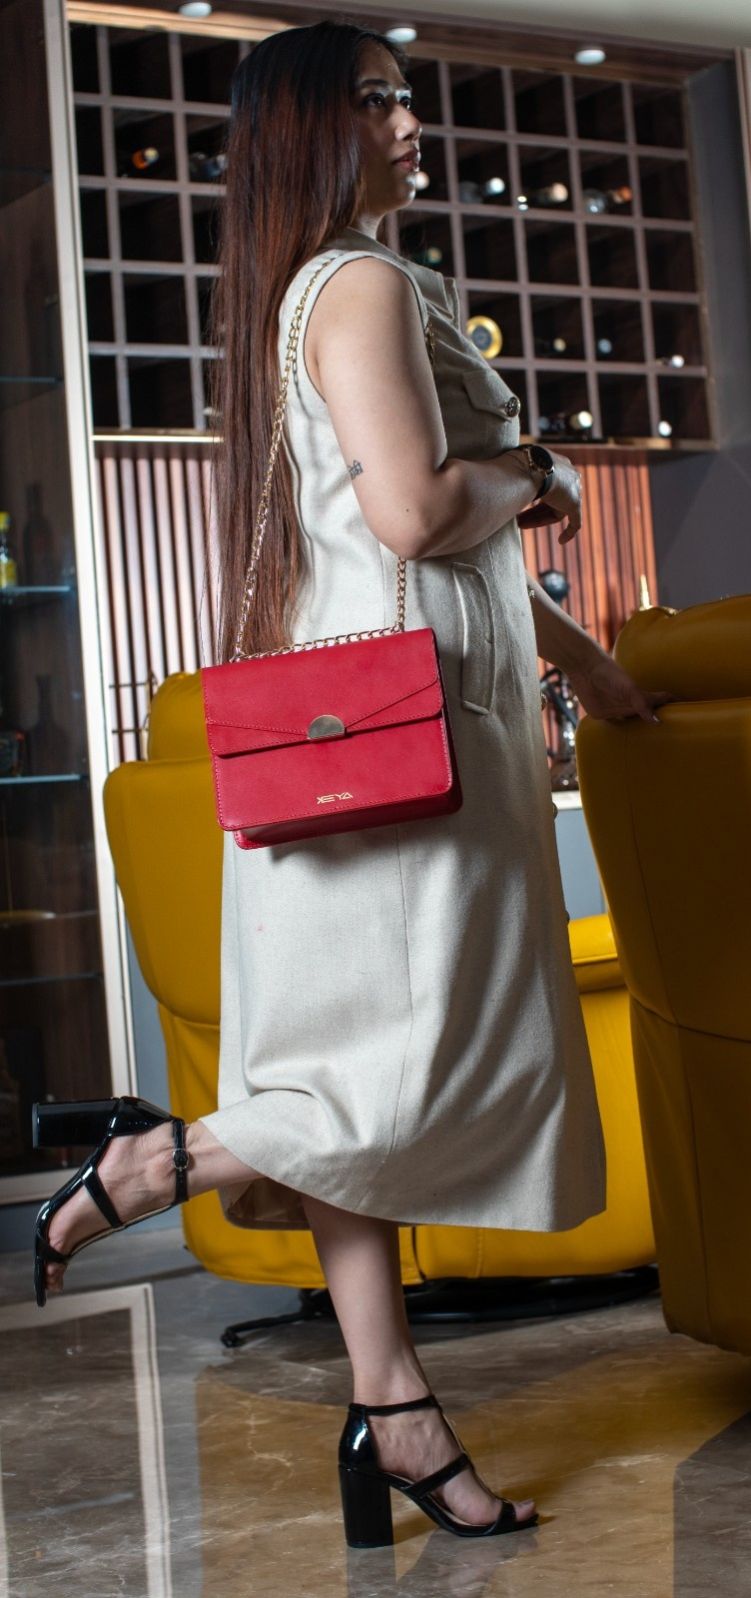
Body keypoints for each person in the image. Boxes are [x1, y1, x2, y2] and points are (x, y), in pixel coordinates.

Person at [33, 20, 670, 1546]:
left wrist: (584, 664)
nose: (406, 118)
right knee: (407, 1066)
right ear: (312, 128)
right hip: (410, 750)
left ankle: (393, 1408)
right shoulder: (364, 284)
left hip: (357, 741)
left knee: (346, 1073)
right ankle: (160, 1159)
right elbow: (417, 513)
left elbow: (425, 538)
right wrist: (539, 473)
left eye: (403, 94)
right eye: (375, 99)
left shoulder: (318, 291)